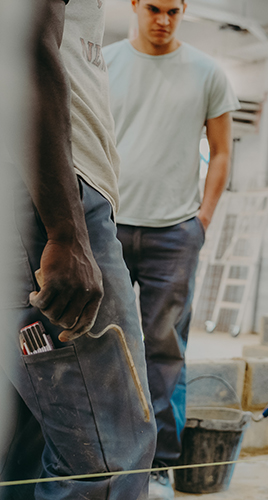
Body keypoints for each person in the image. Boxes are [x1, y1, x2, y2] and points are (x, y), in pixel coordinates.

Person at [0, 0, 156, 497]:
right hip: (44, 202)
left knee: (23, 448)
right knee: (108, 453)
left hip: (31, 195)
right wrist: (66, 233)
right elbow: (22, 39)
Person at [103, 1, 238, 496]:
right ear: (135, 4)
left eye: (174, 11)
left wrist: (201, 220)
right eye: (154, 8)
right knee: (102, 346)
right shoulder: (105, 62)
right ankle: (105, 456)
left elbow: (222, 150)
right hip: (108, 228)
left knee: (164, 349)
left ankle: (159, 464)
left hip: (174, 233)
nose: (163, 19)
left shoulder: (207, 73)